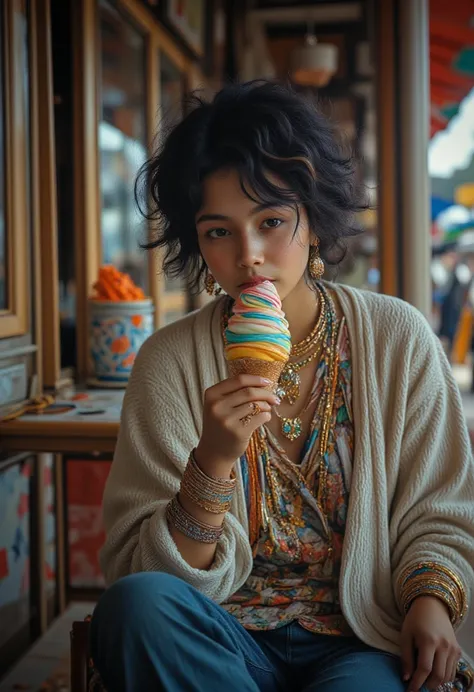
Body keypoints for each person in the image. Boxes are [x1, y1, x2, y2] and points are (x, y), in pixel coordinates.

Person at [90, 81, 474, 692]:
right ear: (198, 243)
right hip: (222, 637)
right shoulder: (168, 363)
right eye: (219, 231)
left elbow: (442, 509)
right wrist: (212, 462)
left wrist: (431, 598)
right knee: (135, 609)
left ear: (316, 222)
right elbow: (144, 571)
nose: (250, 255)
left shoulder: (396, 338)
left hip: (358, 640)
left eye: (271, 221)